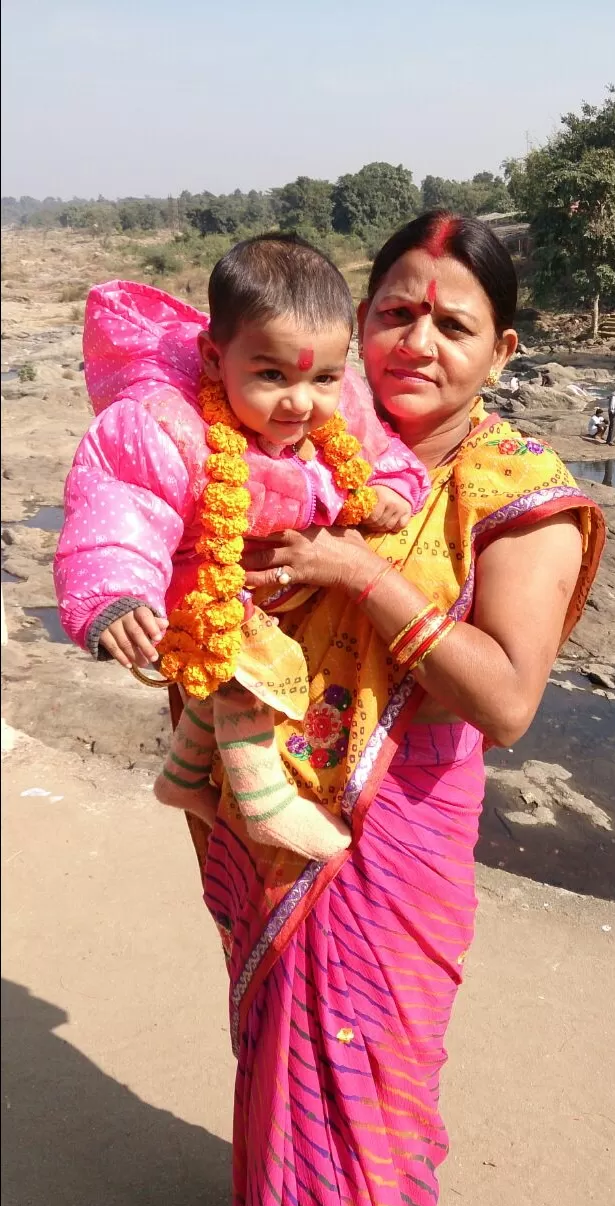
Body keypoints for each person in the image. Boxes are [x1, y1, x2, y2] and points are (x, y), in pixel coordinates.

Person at [179, 211, 604, 1206]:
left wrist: (357, 574)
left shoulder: (512, 492)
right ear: (356, 322)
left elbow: (506, 702)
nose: (418, 341)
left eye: (452, 324)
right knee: (284, 1055)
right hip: (266, 812)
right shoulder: (296, 439)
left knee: (365, 1078)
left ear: (501, 350)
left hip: (390, 833)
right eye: (396, 313)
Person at [54, 236, 430, 861]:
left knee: (245, 659)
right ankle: (263, 803)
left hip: (284, 580)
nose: (300, 402)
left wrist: (390, 486)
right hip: (199, 576)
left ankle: (181, 778)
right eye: (271, 375)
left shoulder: (342, 408)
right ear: (212, 356)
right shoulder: (168, 425)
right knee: (249, 660)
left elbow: (379, 452)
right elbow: (121, 504)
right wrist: (114, 595)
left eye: (324, 378)